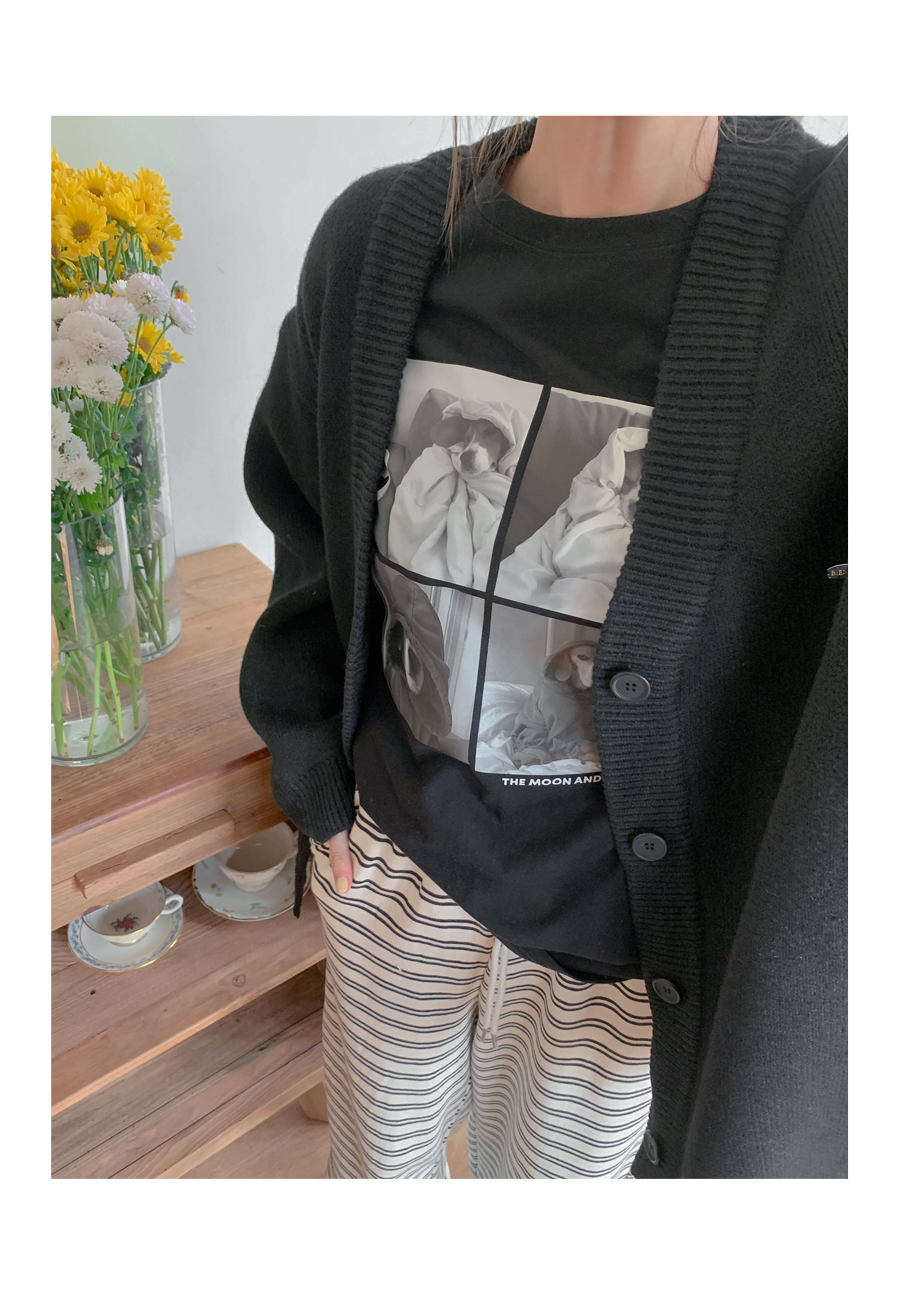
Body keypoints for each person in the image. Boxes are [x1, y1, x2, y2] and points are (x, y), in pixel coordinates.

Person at [239, 115, 847, 1179]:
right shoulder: (375, 236)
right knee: (374, 1174)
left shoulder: (838, 258)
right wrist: (312, 771)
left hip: (619, 959)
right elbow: (306, 521)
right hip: (396, 870)